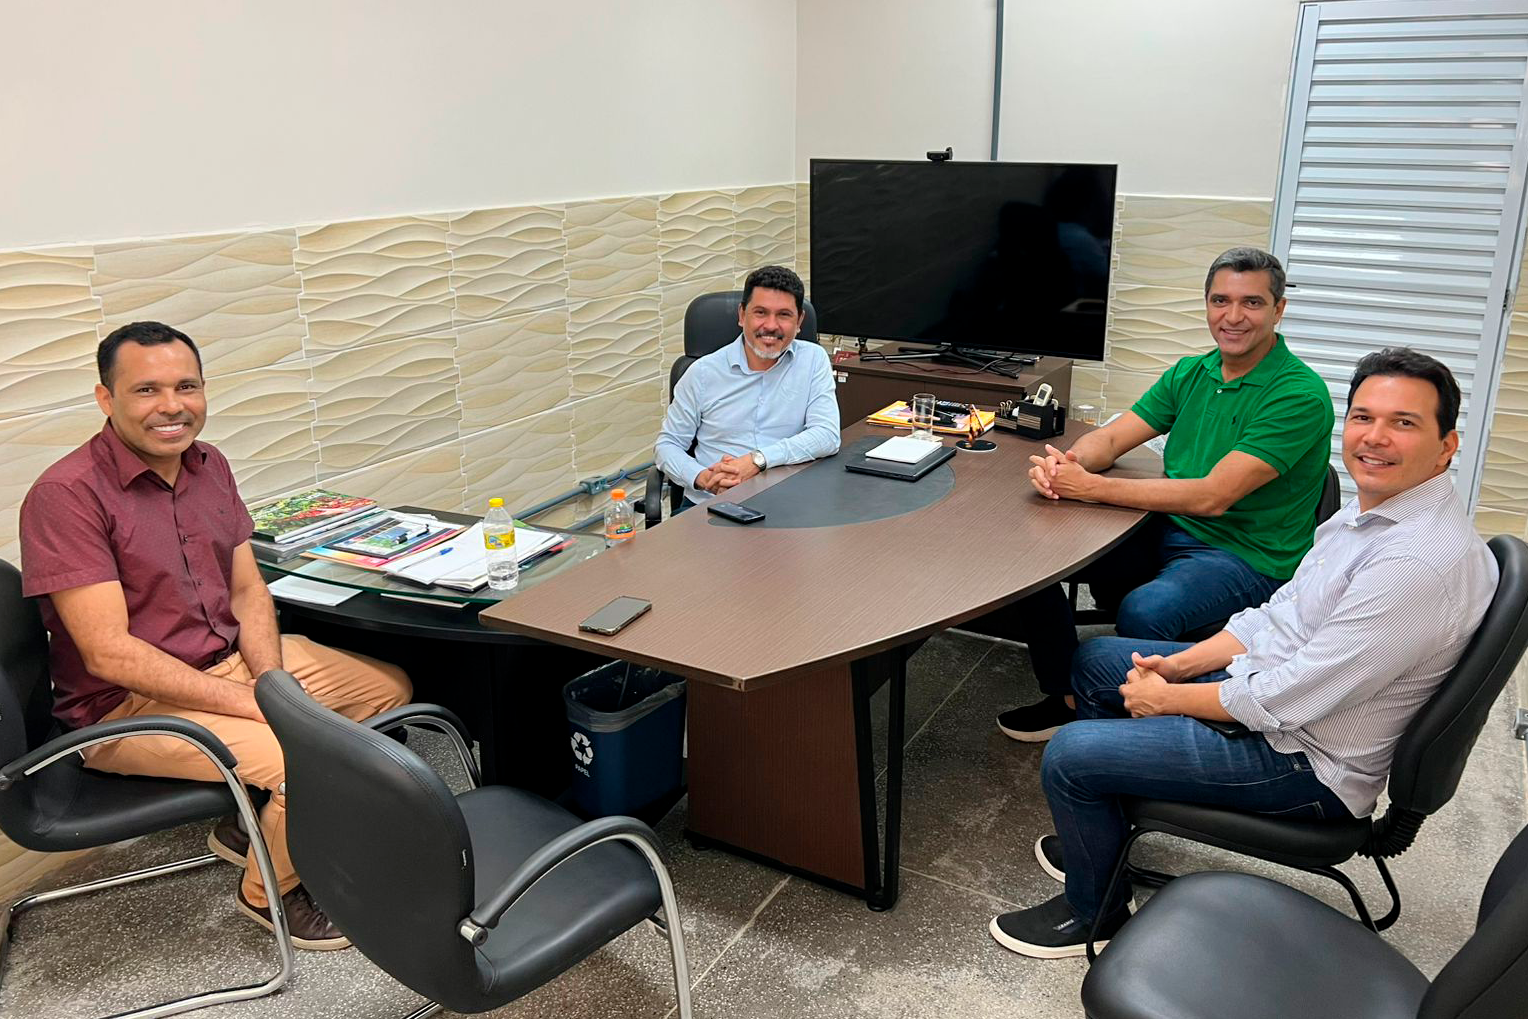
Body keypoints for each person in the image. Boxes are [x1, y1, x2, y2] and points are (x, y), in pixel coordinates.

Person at [988, 348, 1498, 959]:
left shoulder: (1414, 563)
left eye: (1404, 423)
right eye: (1364, 417)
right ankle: (1103, 833)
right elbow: (1279, 616)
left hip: (1308, 762)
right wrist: (1181, 664)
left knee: (1071, 754)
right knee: (1100, 663)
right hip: (1288, 703)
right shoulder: (1370, 515)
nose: (1375, 438)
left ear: (1448, 444)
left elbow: (1293, 696)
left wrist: (1168, 698)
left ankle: (1092, 911)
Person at [19, 321, 412, 952]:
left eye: (186, 386)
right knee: (299, 757)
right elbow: (108, 652)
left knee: (386, 691)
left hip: (224, 662)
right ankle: (273, 893)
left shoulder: (209, 465)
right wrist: (258, 705)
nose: (171, 406)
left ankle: (249, 823)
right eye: (146, 389)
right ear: (105, 399)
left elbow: (247, 591)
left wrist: (268, 681)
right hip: (124, 707)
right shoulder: (65, 496)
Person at [994, 247, 1334, 742]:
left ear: (1278, 310)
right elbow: (1111, 438)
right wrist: (1069, 464)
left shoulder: (1297, 394)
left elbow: (1213, 497)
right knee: (1032, 563)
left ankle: (1131, 726)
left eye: (1252, 303)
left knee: (1147, 609)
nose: (1233, 317)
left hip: (1246, 555)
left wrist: (1091, 488)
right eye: (1220, 301)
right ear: (1206, 305)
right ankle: (1069, 697)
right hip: (1168, 526)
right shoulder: (1190, 373)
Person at [654, 264, 840, 509]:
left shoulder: (813, 360)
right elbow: (668, 445)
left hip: (788, 502)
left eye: (784, 314)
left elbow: (827, 435)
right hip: (710, 503)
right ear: (742, 315)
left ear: (799, 321)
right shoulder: (702, 373)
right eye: (760, 312)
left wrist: (757, 460)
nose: (771, 325)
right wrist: (704, 478)